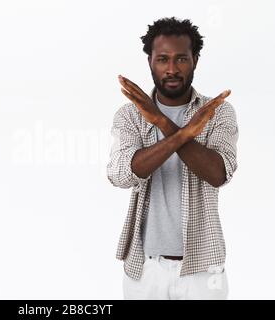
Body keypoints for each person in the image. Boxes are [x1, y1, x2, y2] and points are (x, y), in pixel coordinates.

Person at [106, 17, 238, 300]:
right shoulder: (129, 115)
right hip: (146, 268)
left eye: (181, 59)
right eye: (162, 59)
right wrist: (182, 133)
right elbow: (121, 175)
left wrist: (162, 124)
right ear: (150, 61)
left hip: (204, 268)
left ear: (195, 60)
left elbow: (218, 174)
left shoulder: (218, 112)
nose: (171, 69)